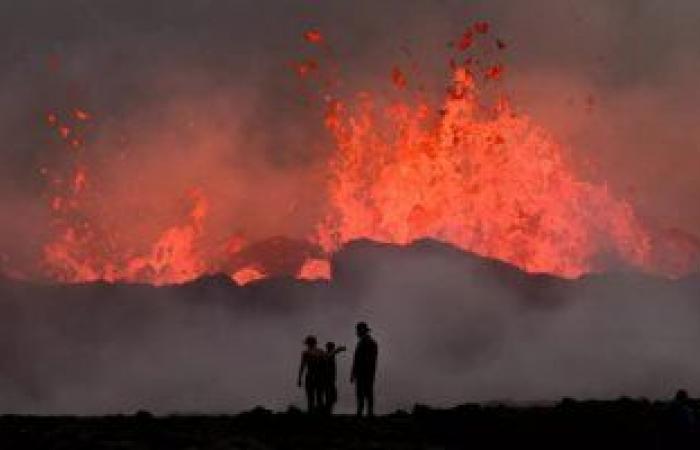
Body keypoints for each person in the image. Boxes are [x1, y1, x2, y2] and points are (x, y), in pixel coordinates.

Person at [350, 321, 378, 417]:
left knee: (364, 392)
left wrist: (354, 373)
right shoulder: (366, 342)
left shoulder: (368, 343)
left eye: (358, 330)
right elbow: (357, 360)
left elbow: (365, 360)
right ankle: (365, 412)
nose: (357, 332)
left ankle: (365, 412)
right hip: (365, 372)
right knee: (365, 393)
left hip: (365, 372)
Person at [297, 335, 325, 413]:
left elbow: (302, 366)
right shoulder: (319, 352)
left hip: (313, 376)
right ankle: (317, 414)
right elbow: (303, 366)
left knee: (313, 397)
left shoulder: (308, 353)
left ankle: (314, 414)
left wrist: (299, 378)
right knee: (316, 397)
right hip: (316, 376)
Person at [323, 341, 346, 414]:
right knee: (330, 395)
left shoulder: (330, 355)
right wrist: (338, 349)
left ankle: (328, 411)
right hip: (328, 378)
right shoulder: (327, 355)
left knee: (331, 396)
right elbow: (329, 355)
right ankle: (328, 411)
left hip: (330, 378)